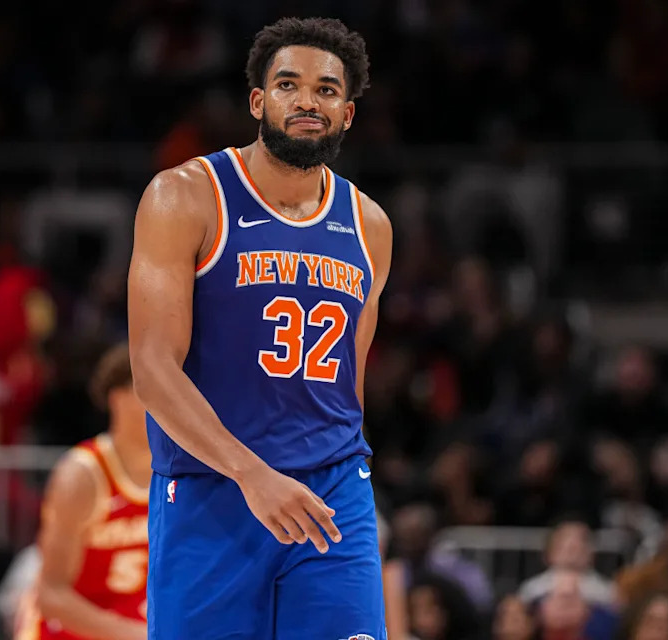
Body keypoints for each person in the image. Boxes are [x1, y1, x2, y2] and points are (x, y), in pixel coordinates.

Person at [128, 16, 393, 639]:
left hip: (329, 495)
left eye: (327, 90)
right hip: (212, 487)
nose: (307, 100)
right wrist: (252, 474)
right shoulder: (185, 197)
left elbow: (348, 381)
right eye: (288, 85)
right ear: (258, 101)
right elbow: (152, 372)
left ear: (347, 113)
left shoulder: (369, 224)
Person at [18, 342, 150, 640]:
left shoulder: (177, 473)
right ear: (117, 398)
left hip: (137, 624)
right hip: (70, 632)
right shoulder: (82, 475)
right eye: (150, 391)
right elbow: (51, 595)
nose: (165, 402)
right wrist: (134, 635)